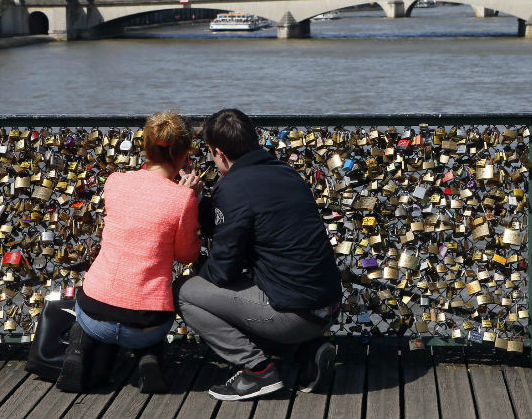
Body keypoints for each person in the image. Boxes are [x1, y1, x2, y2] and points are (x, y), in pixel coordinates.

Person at [174, 109, 342, 401]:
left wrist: (199, 268)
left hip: (293, 315)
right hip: (327, 308)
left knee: (184, 292)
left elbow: (223, 271)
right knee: (249, 285)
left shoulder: (233, 188)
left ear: (218, 152)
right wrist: (200, 200)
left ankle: (258, 372)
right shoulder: (285, 172)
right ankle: (305, 353)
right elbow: (242, 216)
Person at [56, 111, 202, 393]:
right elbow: (186, 256)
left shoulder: (115, 181)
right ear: (184, 155)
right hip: (146, 327)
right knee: (153, 301)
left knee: (90, 297)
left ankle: (78, 350)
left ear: (145, 147)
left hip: (95, 316)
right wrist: (191, 199)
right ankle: (149, 360)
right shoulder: (183, 198)